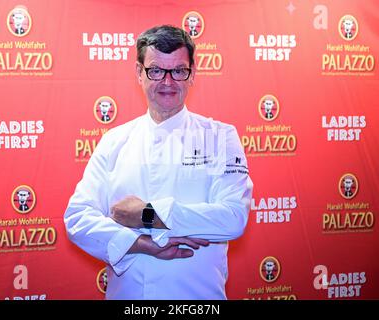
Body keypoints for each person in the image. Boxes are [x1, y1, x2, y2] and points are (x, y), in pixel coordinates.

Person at [64, 25, 253, 300]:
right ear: (139, 73)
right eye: (155, 71)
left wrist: (146, 215)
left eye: (178, 70)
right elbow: (77, 218)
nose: (168, 82)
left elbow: (232, 217)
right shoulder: (114, 141)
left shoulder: (220, 137)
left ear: (192, 75)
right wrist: (140, 244)